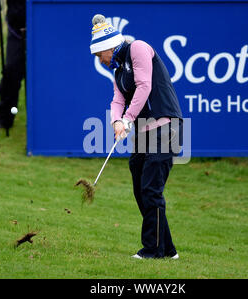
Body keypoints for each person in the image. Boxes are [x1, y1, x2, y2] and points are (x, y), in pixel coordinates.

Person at [90, 14, 183, 259]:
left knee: (151, 189)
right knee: (142, 189)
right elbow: (117, 99)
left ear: (108, 47)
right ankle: (167, 249)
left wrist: (127, 119)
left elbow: (144, 86)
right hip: (143, 132)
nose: (101, 61)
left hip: (165, 127)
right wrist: (115, 122)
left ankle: (152, 250)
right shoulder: (119, 71)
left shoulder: (138, 48)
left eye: (101, 55)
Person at [0, 0, 26, 131]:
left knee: (43, 77)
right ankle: (4, 119)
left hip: (42, 29)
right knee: (11, 73)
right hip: (16, 30)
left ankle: (47, 121)